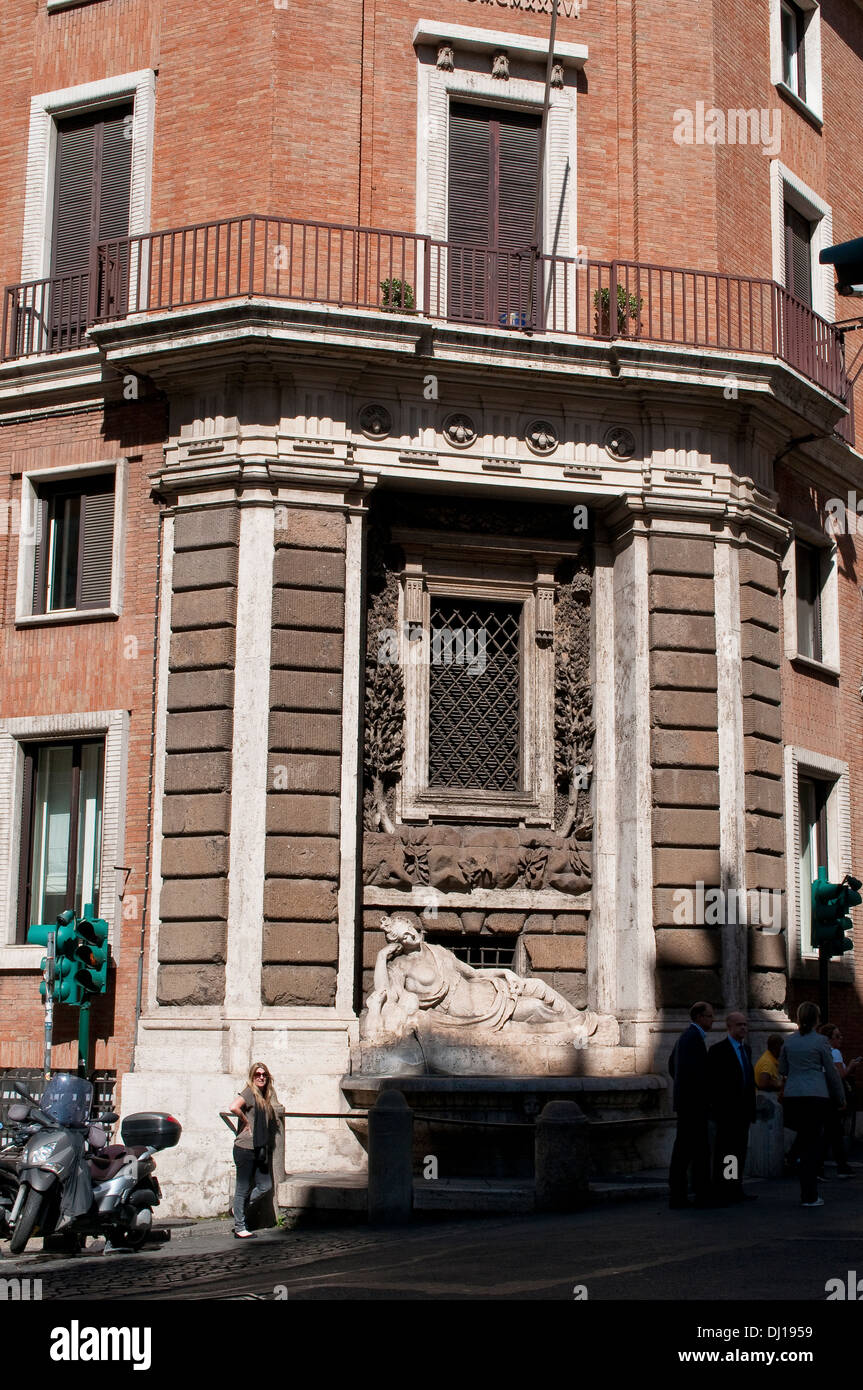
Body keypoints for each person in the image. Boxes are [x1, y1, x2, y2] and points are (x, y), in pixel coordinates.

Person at [779, 1002, 845, 1208]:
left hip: (793, 1097)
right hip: (815, 1097)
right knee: (812, 1146)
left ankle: (793, 1158)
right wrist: (840, 1097)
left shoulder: (788, 1042)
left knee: (805, 1138)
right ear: (817, 1018)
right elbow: (832, 1073)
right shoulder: (821, 1041)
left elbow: (783, 1068)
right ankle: (809, 1194)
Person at [668, 1001, 715, 1209]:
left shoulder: (686, 1038)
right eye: (709, 1016)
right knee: (690, 1151)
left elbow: (672, 1065)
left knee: (689, 1150)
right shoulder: (693, 1039)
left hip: (687, 1103)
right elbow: (697, 1075)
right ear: (699, 1017)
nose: (712, 1020)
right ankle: (692, 1193)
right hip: (693, 1105)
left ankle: (692, 1192)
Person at [707, 1011, 757, 1204]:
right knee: (727, 1152)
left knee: (739, 1151)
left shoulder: (747, 1050)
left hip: (743, 1111)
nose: (743, 1028)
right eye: (739, 1025)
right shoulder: (718, 1050)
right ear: (729, 1027)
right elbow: (713, 1082)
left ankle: (736, 1186)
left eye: (745, 1024)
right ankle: (725, 1188)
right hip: (727, 1112)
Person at [228, 1062, 280, 1239]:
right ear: (252, 1076)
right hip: (245, 1147)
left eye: (264, 1074)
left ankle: (238, 1209)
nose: (261, 1077)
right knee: (242, 1187)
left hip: (261, 1147)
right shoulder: (250, 1092)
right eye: (258, 1074)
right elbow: (233, 1106)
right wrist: (245, 1121)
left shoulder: (265, 1095)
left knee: (265, 1186)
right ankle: (239, 1227)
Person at [818, 1024, 860, 1177]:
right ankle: (834, 1167)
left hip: (824, 1095)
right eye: (837, 1036)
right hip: (833, 1097)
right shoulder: (834, 1052)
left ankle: (838, 1166)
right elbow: (839, 1076)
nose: (841, 1038)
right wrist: (851, 1066)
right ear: (829, 1039)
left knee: (832, 1132)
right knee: (832, 1132)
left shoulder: (823, 1052)